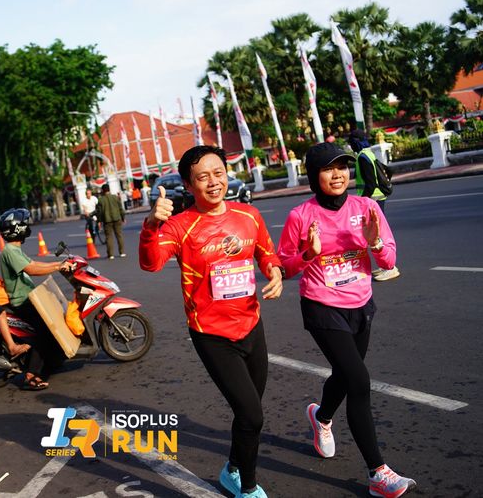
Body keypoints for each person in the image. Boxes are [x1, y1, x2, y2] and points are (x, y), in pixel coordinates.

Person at [139, 145, 283, 498]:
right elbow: (151, 263)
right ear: (189, 185)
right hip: (212, 334)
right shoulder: (180, 226)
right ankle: (247, 486)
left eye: (218, 173)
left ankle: (232, 467)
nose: (214, 182)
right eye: (203, 177)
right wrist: (151, 225)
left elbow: (266, 252)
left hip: (252, 326)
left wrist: (275, 271)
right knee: (252, 415)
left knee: (249, 413)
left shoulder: (249, 215)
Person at [276, 142, 416, 498]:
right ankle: (378, 474)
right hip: (321, 306)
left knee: (344, 373)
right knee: (358, 380)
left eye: (342, 166)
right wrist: (308, 253)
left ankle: (321, 417)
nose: (337, 174)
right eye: (328, 168)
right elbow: (284, 267)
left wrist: (375, 243)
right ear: (314, 176)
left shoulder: (366, 208)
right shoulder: (300, 216)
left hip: (361, 305)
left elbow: (389, 261)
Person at [0, 208, 74, 390]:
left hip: (29, 298)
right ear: (17, 229)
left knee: (55, 323)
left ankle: (53, 359)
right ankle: (30, 375)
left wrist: (59, 264)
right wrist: (58, 267)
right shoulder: (10, 251)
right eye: (24, 224)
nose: (27, 226)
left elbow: (34, 264)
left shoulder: (15, 249)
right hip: (22, 301)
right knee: (45, 331)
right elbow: (31, 270)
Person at [348, 129, 400, 282]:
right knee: (376, 231)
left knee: (377, 232)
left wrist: (363, 201)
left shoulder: (362, 157)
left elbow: (370, 183)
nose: (350, 145)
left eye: (351, 142)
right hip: (376, 197)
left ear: (356, 142)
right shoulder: (368, 153)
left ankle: (390, 267)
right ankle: (385, 265)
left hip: (372, 199)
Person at [97, 184, 126, 259]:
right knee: (119, 235)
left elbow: (99, 212)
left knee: (109, 237)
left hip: (107, 220)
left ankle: (111, 254)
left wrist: (99, 221)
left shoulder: (101, 200)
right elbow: (120, 208)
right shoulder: (115, 197)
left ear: (103, 190)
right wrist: (123, 217)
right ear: (109, 189)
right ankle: (122, 252)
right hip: (117, 218)